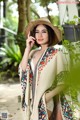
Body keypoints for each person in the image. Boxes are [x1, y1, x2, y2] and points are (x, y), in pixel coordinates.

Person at [18, 17, 73, 120]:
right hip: (32, 100)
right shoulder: (32, 53)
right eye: (37, 32)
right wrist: (27, 48)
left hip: (47, 102)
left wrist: (46, 97)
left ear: (50, 34)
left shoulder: (57, 54)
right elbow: (23, 70)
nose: (39, 35)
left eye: (44, 32)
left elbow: (64, 80)